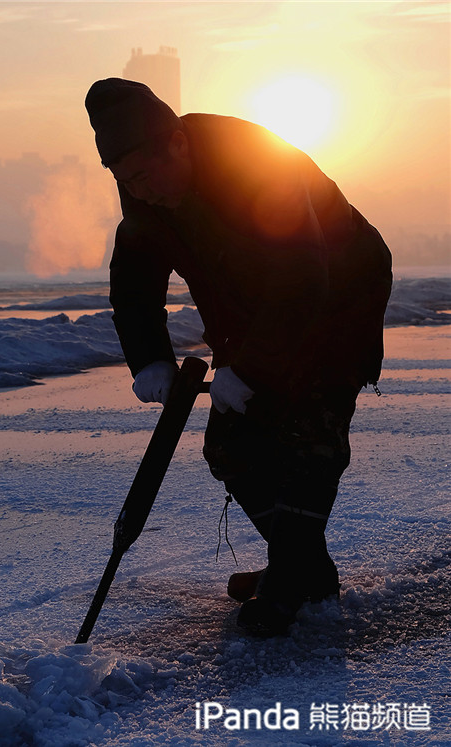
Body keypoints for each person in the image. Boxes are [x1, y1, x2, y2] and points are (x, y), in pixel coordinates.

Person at [85, 78, 392, 636]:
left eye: (142, 176)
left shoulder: (254, 165)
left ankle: (288, 583)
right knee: (231, 447)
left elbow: (302, 278)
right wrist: (150, 358)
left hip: (338, 295)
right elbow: (134, 281)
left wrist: (249, 370)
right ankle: (303, 568)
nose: (138, 191)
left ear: (177, 143)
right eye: (124, 181)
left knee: (308, 441)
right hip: (247, 307)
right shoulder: (145, 188)